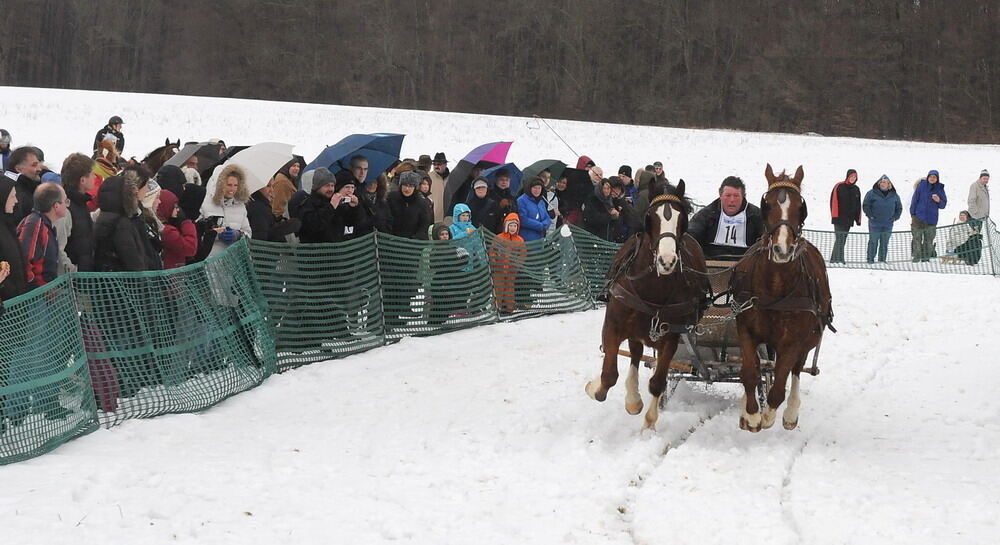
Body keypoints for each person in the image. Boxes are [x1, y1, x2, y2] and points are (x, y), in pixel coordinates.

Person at [688, 176, 765, 259]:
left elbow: (766, 237)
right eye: (728, 195)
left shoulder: (756, 215)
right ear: (720, 196)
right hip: (710, 263)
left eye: (736, 196)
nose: (732, 200)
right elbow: (691, 236)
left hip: (746, 264)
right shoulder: (706, 214)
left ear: (743, 197)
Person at [93, 175, 158, 271]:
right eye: (133, 195)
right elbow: (133, 261)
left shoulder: (103, 217)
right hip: (127, 282)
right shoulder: (122, 224)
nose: (136, 199)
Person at [17, 182, 69, 289]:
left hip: (45, 292)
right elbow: (24, 261)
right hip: (37, 296)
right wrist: (39, 291)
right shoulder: (34, 224)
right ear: (56, 206)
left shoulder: (44, 224)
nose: (67, 205)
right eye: (65, 201)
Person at [199, 164, 252, 257]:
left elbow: (248, 234)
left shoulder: (240, 206)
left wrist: (238, 235)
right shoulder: (204, 204)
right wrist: (215, 235)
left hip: (232, 261)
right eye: (229, 185)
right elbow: (197, 233)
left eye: (236, 185)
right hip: (210, 259)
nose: (233, 189)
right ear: (219, 184)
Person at [297, 168, 359, 243]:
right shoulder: (308, 204)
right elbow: (315, 226)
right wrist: (331, 207)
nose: (330, 189)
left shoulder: (333, 202)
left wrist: (353, 208)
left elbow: (349, 223)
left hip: (336, 250)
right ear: (317, 187)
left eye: (332, 185)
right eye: (327, 186)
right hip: (316, 251)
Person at [60, 153, 97, 271]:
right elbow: (58, 249)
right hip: (73, 282)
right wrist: (74, 272)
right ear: (82, 180)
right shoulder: (66, 208)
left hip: (84, 278)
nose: (95, 177)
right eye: (92, 173)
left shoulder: (80, 203)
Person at [489, 213, 526, 314]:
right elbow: (492, 251)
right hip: (499, 270)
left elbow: (522, 254)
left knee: (509, 289)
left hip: (511, 270)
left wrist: (516, 266)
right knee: (498, 289)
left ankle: (509, 308)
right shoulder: (499, 237)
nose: (513, 228)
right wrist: (494, 263)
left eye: (515, 226)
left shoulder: (520, 240)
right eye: (511, 225)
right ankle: (497, 308)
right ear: (506, 226)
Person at [862, 174, 902, 263]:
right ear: (879, 183)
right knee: (873, 241)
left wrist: (895, 217)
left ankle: (882, 259)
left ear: (889, 184)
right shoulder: (871, 193)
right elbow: (866, 205)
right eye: (882, 182)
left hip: (888, 223)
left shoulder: (894, 195)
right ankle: (870, 259)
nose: (883, 184)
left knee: (884, 242)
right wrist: (870, 215)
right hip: (875, 222)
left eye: (885, 182)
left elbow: (899, 208)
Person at [246, 178, 301, 242]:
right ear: (258, 188)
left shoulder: (260, 203)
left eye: (272, 186)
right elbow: (261, 237)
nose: (272, 190)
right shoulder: (259, 209)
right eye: (268, 186)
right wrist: (287, 226)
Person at [909, 169, 947, 262]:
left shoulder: (940, 188)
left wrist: (938, 200)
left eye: (934, 177)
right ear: (928, 177)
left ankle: (926, 257)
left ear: (937, 179)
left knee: (929, 239)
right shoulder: (921, 186)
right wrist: (913, 213)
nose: (932, 178)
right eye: (931, 177)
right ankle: (916, 256)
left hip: (931, 218)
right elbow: (915, 199)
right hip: (918, 217)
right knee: (916, 237)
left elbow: (943, 205)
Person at [0, 177, 28, 301]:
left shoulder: (7, 225)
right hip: (7, 303)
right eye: (12, 196)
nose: (16, 201)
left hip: (18, 300)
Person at [155, 189, 198, 268]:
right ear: (166, 207)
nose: (178, 210)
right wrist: (186, 222)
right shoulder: (167, 231)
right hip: (172, 275)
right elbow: (190, 248)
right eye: (174, 206)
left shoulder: (164, 226)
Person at [387, 171, 432, 239]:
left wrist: (415, 239)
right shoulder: (391, 198)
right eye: (405, 185)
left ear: (415, 187)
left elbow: (424, 225)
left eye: (410, 186)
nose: (407, 189)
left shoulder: (422, 203)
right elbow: (386, 219)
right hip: (392, 240)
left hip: (412, 243)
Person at [829, 168, 862, 263]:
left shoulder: (856, 189)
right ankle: (839, 259)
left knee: (843, 240)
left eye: (854, 177)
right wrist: (835, 216)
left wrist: (857, 219)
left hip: (849, 219)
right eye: (851, 176)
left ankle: (835, 259)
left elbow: (858, 205)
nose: (853, 178)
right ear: (847, 176)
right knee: (839, 239)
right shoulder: (839, 186)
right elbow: (833, 202)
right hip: (839, 218)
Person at [3, 146, 43, 224]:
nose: (39, 169)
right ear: (19, 169)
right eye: (34, 165)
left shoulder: (30, 190)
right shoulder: (18, 194)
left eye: (38, 164)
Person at [516, 176, 552, 242]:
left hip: (540, 239)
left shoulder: (541, 202)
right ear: (529, 188)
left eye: (539, 188)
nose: (537, 190)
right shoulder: (521, 200)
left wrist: (546, 224)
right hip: (526, 239)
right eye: (534, 188)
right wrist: (541, 226)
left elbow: (547, 218)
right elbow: (523, 219)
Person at [428, 152, 449, 222]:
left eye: (439, 164)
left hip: (448, 216)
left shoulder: (451, 178)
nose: (436, 166)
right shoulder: (429, 177)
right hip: (433, 215)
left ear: (445, 165)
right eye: (434, 164)